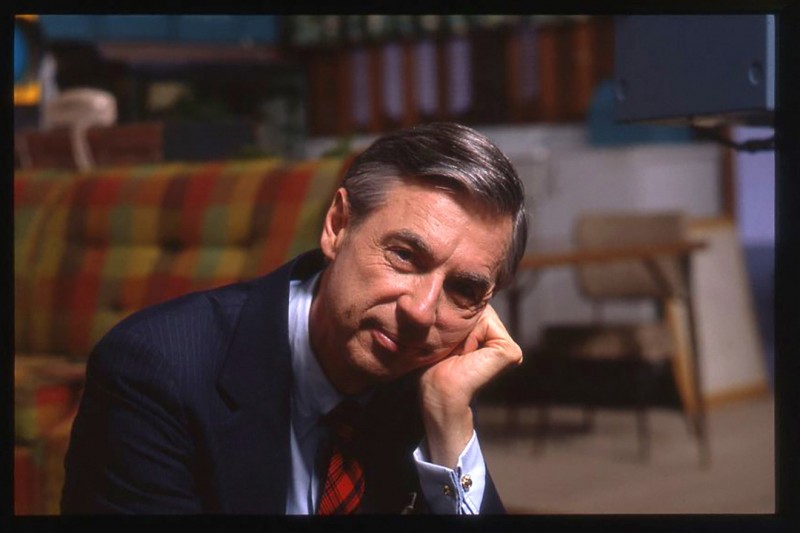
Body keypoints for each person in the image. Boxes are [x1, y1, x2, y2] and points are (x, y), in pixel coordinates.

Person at [61, 122, 528, 514]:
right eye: (404, 256)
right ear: (338, 226)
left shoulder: (436, 381)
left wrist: (449, 421)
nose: (421, 312)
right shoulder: (155, 370)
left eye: (464, 289)